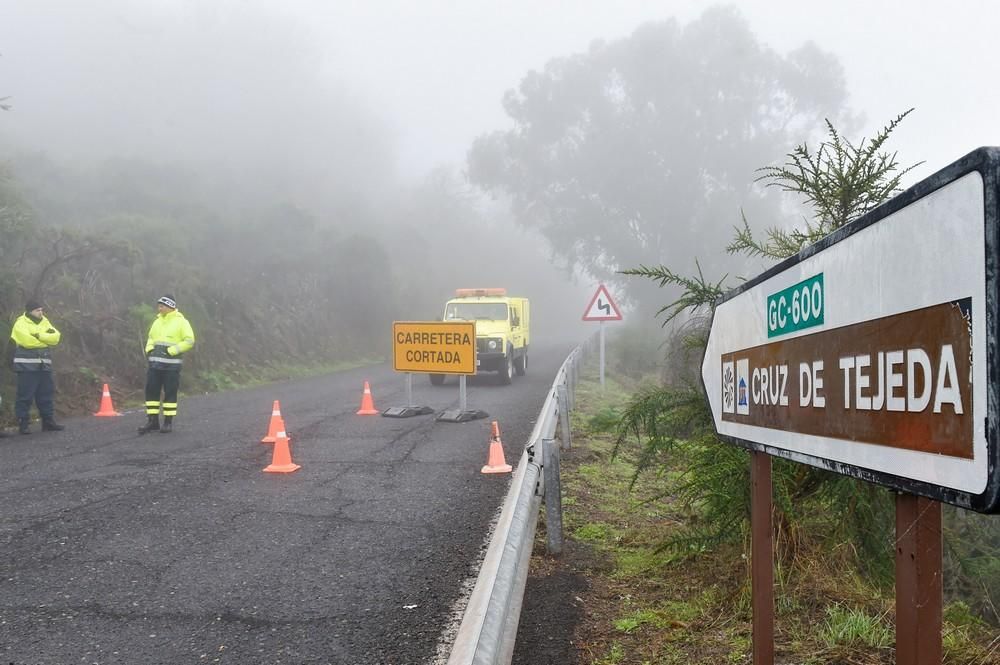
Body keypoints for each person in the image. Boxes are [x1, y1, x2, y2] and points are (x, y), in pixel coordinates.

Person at [138, 294, 195, 434]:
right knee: (151, 391)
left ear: (170, 306)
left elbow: (189, 341)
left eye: (162, 305)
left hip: (171, 366)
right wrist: (149, 350)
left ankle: (168, 422)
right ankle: (152, 421)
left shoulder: (182, 322)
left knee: (170, 393)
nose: (159, 308)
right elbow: (151, 338)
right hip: (154, 365)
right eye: (159, 305)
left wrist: (171, 351)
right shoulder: (157, 321)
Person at [10, 299, 64, 434]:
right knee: (25, 396)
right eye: (37, 310)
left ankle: (48, 421)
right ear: (30, 311)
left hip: (44, 365)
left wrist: (39, 335)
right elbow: (27, 341)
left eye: (41, 310)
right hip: (26, 366)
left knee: (46, 394)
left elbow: (56, 337)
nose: (41, 312)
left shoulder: (45, 321)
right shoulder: (20, 323)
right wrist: (45, 339)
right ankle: (23, 424)